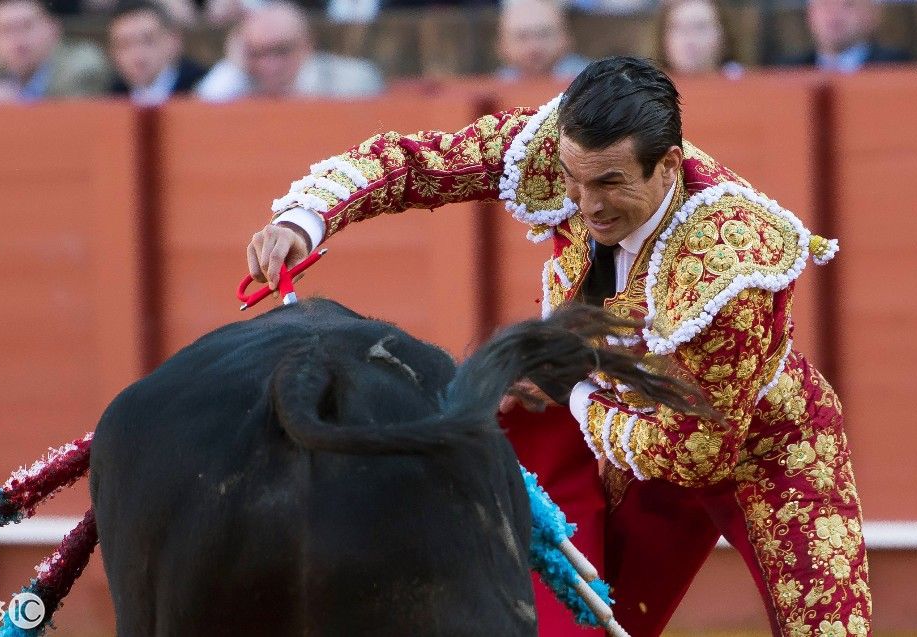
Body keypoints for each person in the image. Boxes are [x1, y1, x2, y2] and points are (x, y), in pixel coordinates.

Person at [245, 56, 872, 636]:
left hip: (766, 448)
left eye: (609, 183)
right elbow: (419, 163)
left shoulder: (729, 260)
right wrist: (306, 217)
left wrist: (566, 385)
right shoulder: (560, 149)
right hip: (630, 439)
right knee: (583, 627)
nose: (588, 205)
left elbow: (697, 453)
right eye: (574, 180)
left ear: (670, 168)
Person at [195, 0, 384, 102]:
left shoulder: (353, 80)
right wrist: (234, 67)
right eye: (257, 53)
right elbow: (202, 112)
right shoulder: (238, 80)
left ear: (307, 45)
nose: (269, 64)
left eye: (281, 50)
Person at [0, 0, 110, 105]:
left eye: (26, 26)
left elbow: (68, 121)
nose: (17, 38)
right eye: (5, 30)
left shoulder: (82, 65)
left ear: (53, 28)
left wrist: (14, 101)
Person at [107, 1, 206, 105]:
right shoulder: (111, 97)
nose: (137, 55)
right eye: (125, 45)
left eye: (148, 41)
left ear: (173, 41)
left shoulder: (205, 88)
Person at [776, 0, 911, 71]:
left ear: (873, 14)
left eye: (847, 4)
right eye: (825, 3)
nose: (834, 14)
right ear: (810, 14)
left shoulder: (898, 68)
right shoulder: (787, 72)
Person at [497, 0, 590, 82]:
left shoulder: (593, 81)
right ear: (502, 44)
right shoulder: (497, 85)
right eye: (522, 37)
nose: (534, 47)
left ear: (566, 38)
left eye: (544, 34)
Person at [655, 0, 742, 77]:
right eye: (678, 27)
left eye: (700, 27)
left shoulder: (741, 83)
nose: (689, 36)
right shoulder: (647, 90)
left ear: (723, 35)